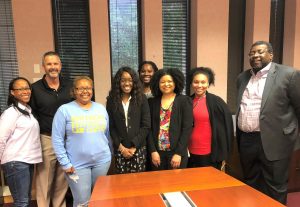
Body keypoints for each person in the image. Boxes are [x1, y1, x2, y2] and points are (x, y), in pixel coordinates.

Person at [236, 41, 300, 204]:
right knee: (250, 182)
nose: (255, 55)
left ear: (271, 55)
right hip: (247, 140)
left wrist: (295, 140)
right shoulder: (242, 77)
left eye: (260, 51)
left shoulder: (289, 75)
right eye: (252, 53)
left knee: (275, 186)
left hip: (276, 141)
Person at [52, 76, 112, 207]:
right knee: (82, 201)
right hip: (76, 165)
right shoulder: (64, 110)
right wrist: (65, 163)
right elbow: (57, 139)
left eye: (88, 88)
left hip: (102, 162)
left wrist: (109, 155)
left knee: (100, 199)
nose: (85, 91)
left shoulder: (101, 108)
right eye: (81, 88)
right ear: (74, 91)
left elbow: (106, 134)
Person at [30, 51, 72, 207]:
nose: (52, 67)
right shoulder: (35, 89)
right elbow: (31, 115)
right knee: (44, 181)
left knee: (62, 180)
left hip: (67, 140)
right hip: (47, 139)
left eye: (55, 64)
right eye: (49, 64)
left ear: (60, 66)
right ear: (43, 67)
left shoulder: (70, 85)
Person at [0, 77, 42, 207]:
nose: (26, 91)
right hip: (15, 162)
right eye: (21, 89)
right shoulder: (10, 113)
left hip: (25, 161)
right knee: (21, 202)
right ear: (12, 92)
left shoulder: (27, 111)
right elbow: (1, 138)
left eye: (27, 88)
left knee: (25, 199)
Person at [106, 67, 150, 173]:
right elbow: (111, 127)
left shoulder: (141, 98)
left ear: (134, 82)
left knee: (138, 183)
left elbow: (146, 125)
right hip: (120, 149)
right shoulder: (111, 100)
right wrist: (121, 148)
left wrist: (134, 147)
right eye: (123, 80)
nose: (127, 83)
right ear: (118, 82)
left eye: (130, 80)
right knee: (122, 183)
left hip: (138, 149)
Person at [188, 67, 233, 170]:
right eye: (196, 82)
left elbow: (225, 129)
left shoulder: (217, 103)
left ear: (208, 84)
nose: (199, 85)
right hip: (189, 152)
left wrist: (224, 154)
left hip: (210, 153)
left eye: (203, 82)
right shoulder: (187, 101)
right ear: (191, 83)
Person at [148, 68, 193, 170]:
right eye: (162, 82)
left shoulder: (184, 101)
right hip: (157, 154)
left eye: (169, 81)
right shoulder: (152, 102)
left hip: (177, 154)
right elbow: (148, 129)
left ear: (176, 82)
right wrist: (153, 151)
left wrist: (179, 153)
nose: (166, 84)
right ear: (157, 84)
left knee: (176, 185)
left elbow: (187, 129)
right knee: (158, 184)